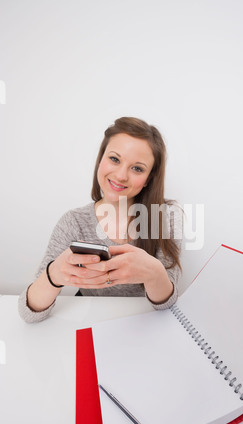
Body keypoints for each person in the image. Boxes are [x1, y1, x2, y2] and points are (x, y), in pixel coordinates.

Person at [18, 117, 182, 323]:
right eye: (114, 159)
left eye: (137, 168)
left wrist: (155, 273)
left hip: (145, 325)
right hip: (91, 323)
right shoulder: (74, 222)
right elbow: (28, 314)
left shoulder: (166, 218)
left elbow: (167, 305)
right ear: (100, 159)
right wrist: (53, 275)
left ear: (149, 178)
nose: (121, 175)